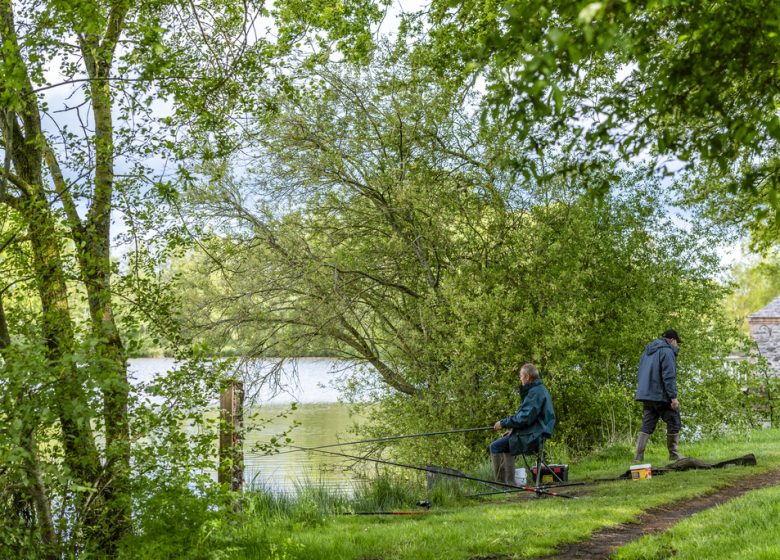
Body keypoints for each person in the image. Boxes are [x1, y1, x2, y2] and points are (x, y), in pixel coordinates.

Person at [489, 363, 556, 485]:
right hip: (536, 431)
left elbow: (524, 418)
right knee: (507, 441)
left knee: (495, 446)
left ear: (527, 377)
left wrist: (503, 423)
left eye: (521, 376)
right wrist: (513, 430)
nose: (520, 379)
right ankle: (509, 483)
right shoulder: (539, 389)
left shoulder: (535, 393)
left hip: (535, 435)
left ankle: (502, 484)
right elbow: (530, 417)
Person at [633, 329, 683, 462]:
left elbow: (640, 373)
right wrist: (673, 397)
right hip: (660, 395)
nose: (677, 345)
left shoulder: (648, 351)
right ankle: (674, 454)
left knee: (647, 424)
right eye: (677, 342)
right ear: (672, 340)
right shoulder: (667, 351)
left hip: (646, 394)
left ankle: (638, 457)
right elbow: (669, 376)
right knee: (674, 420)